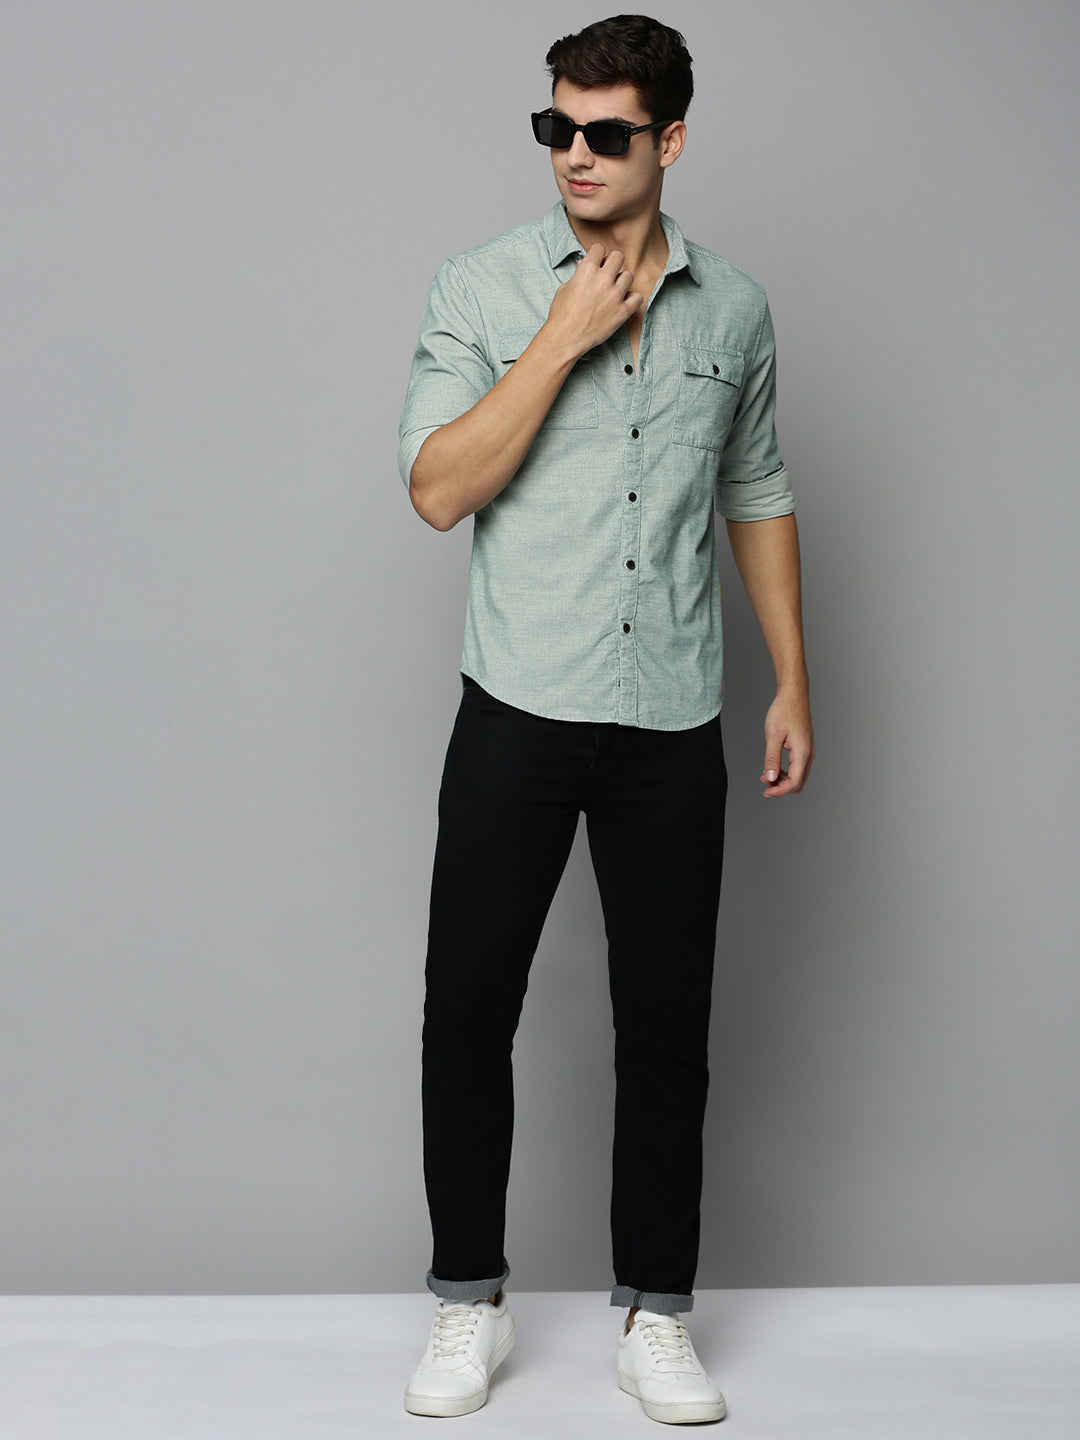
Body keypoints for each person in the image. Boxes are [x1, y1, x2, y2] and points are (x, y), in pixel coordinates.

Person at [396, 13, 814, 1425]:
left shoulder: (735, 310)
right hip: (517, 704)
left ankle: (657, 1312)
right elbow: (438, 488)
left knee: (668, 1024)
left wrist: (793, 678)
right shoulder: (481, 287)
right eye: (555, 129)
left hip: (670, 714)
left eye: (607, 133)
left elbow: (757, 488)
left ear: (670, 139)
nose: (575, 155)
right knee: (469, 1009)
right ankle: (468, 1300)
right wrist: (562, 338)